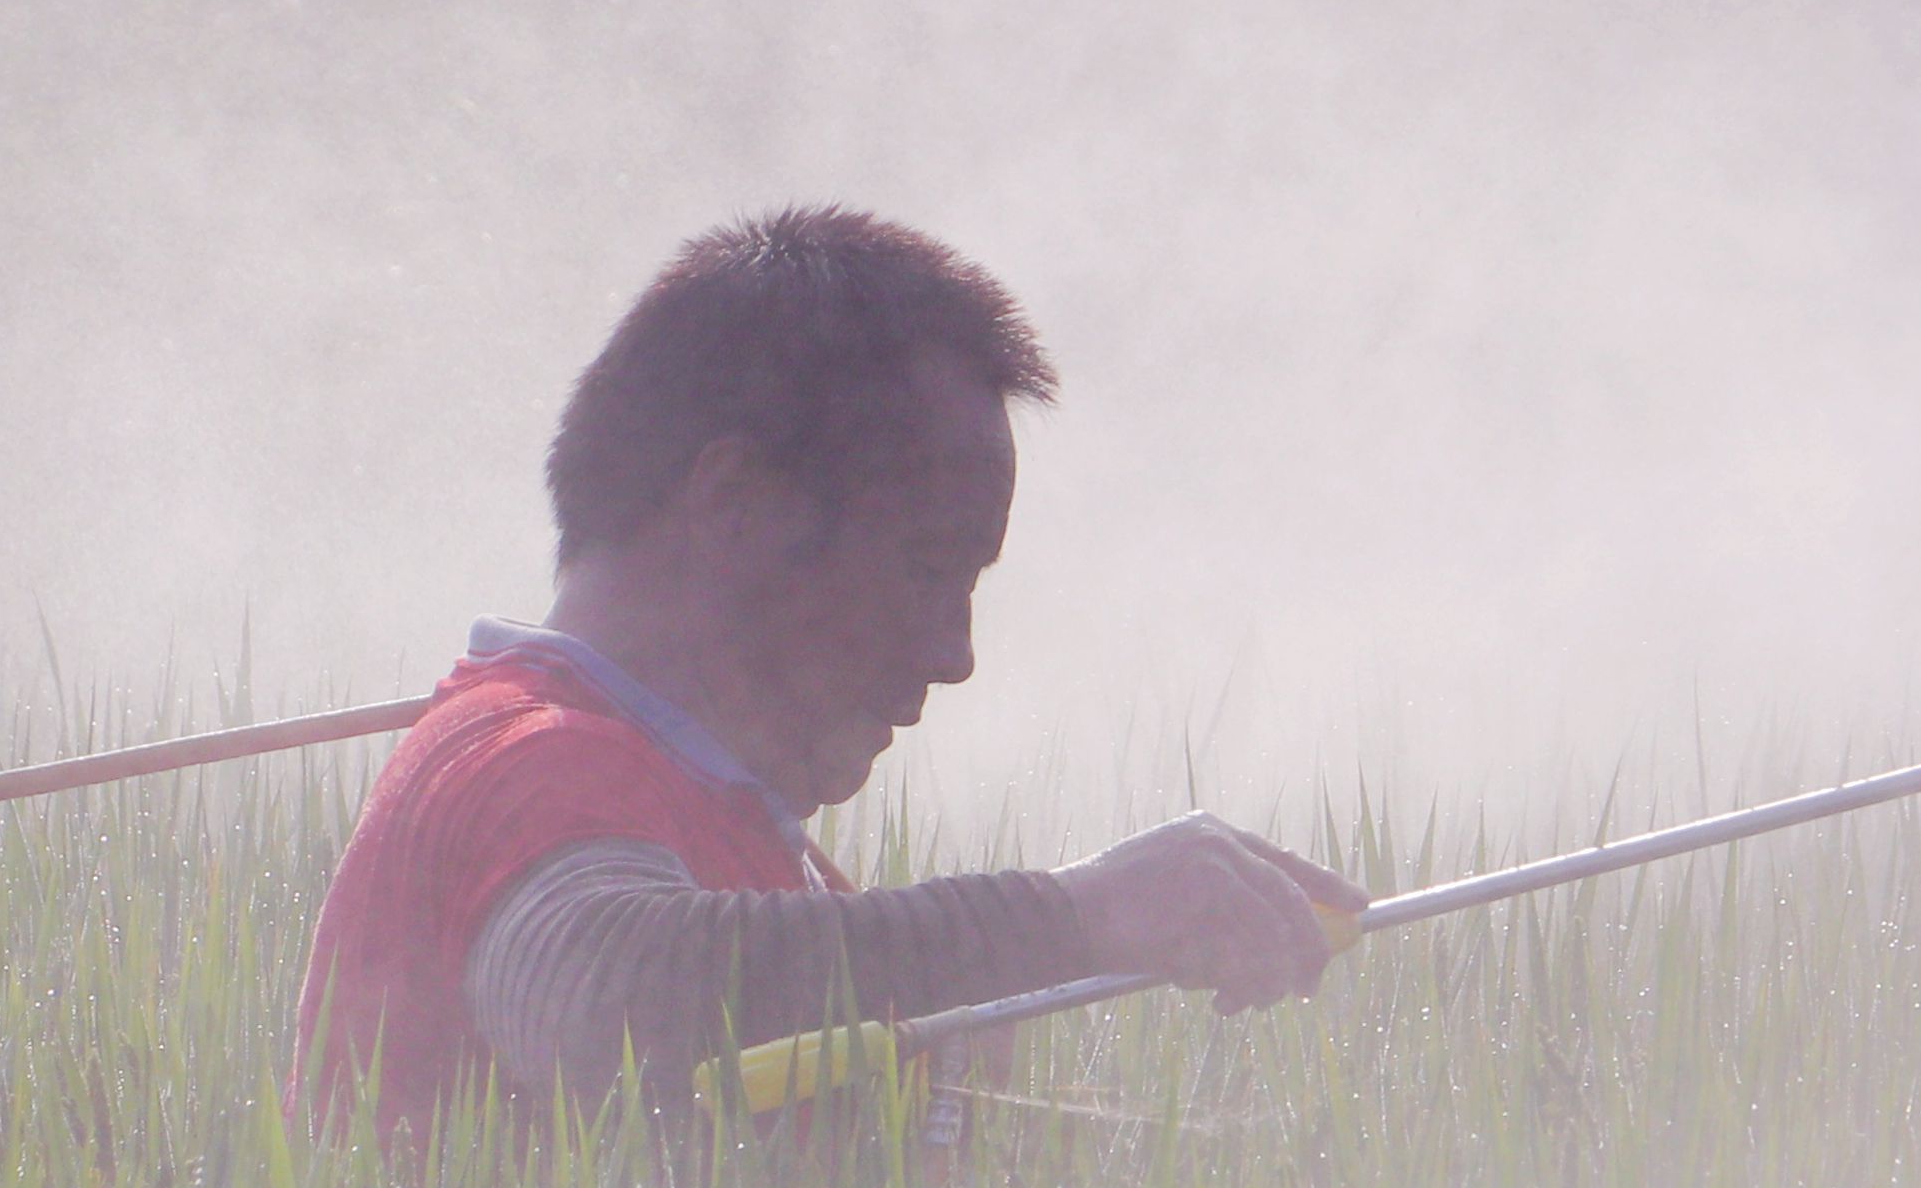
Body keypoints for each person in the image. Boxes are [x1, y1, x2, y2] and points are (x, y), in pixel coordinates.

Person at [294, 207, 1362, 1139]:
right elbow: (612, 1003)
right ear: (735, 505)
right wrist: (1077, 919)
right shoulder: (529, 760)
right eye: (928, 568)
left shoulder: (756, 858)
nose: (956, 653)